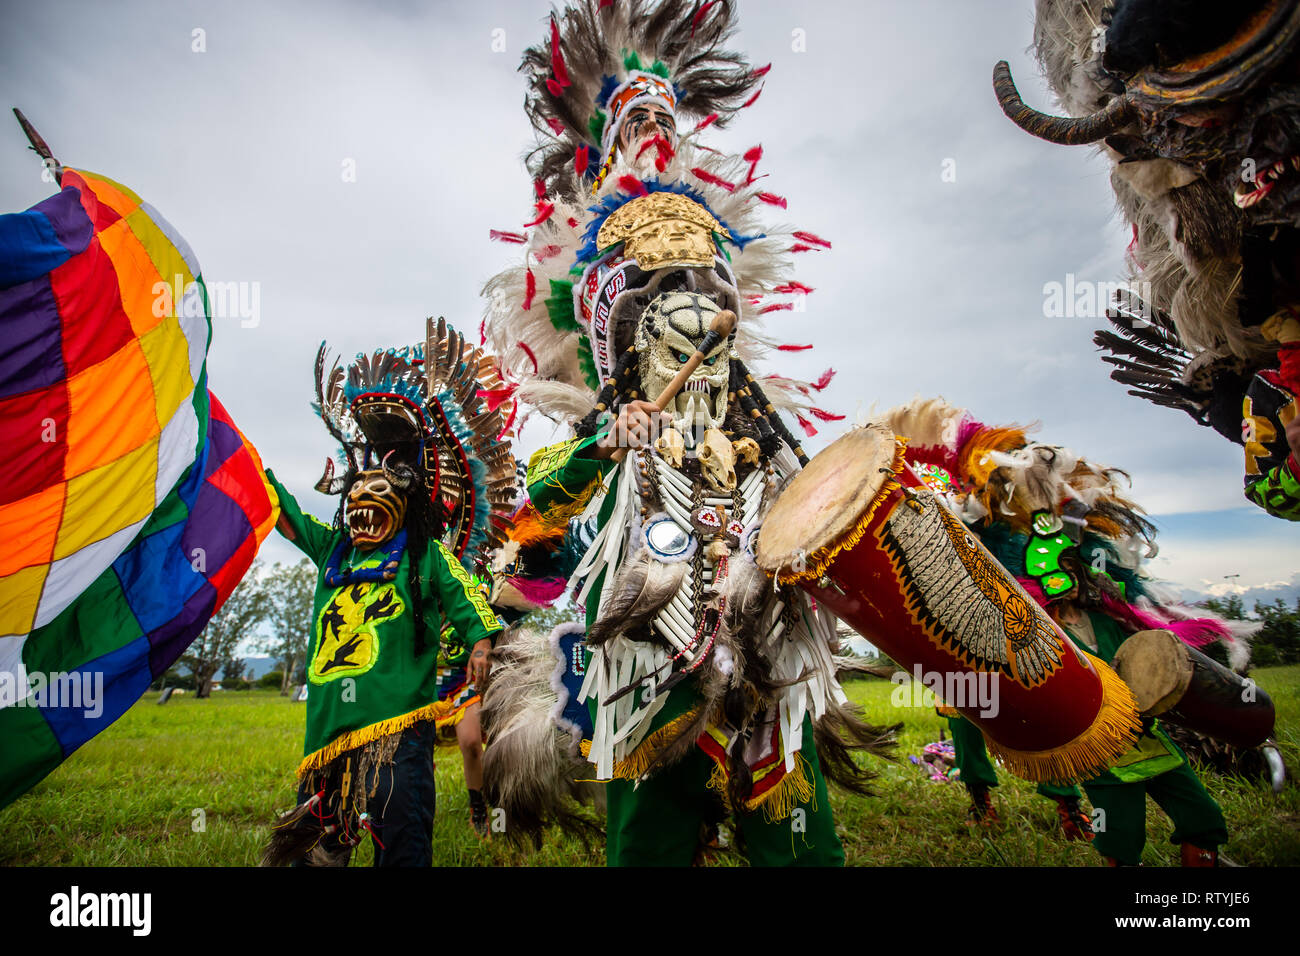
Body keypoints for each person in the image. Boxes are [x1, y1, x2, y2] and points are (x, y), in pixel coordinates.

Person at [261, 323, 515, 866]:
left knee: (400, 836)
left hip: (397, 728)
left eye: (377, 493)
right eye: (354, 494)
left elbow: (467, 597)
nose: (360, 503)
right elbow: (283, 511)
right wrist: (249, 468)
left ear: (405, 506)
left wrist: (481, 642)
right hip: (327, 731)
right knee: (313, 845)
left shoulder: (423, 555)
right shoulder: (334, 550)